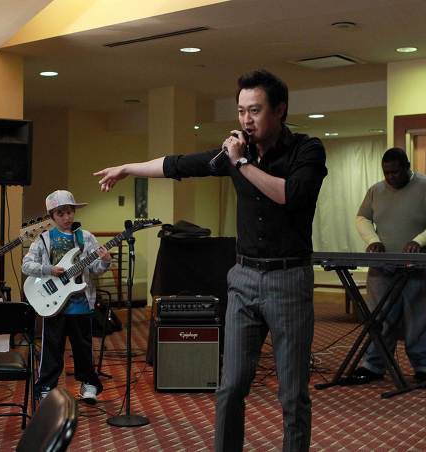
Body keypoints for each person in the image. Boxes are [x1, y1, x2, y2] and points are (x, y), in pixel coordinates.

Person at [94, 70, 327, 452]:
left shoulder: (307, 150)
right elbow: (180, 164)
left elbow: (290, 194)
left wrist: (241, 163)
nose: (246, 120)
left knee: (292, 394)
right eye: (241, 111)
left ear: (280, 110)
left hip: (288, 279)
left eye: (255, 110)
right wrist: (128, 168)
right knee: (230, 386)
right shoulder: (235, 152)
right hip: (243, 278)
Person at [353, 147, 426, 383]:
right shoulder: (376, 190)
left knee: (421, 318)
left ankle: (425, 367)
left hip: (421, 266)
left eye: (396, 172)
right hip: (385, 265)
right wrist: (373, 240)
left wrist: (420, 240)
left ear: (407, 167)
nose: (391, 177)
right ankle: (373, 365)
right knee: (379, 317)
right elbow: (362, 217)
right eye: (387, 173)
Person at [22, 190, 112, 403]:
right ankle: (46, 386)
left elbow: (95, 269)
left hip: (81, 303)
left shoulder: (85, 237)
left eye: (69, 212)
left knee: (83, 348)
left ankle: (88, 384)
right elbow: (26, 265)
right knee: (52, 348)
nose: (66, 217)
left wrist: (105, 261)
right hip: (53, 304)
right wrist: (48, 269)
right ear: (52, 216)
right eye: (60, 213)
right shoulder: (44, 239)